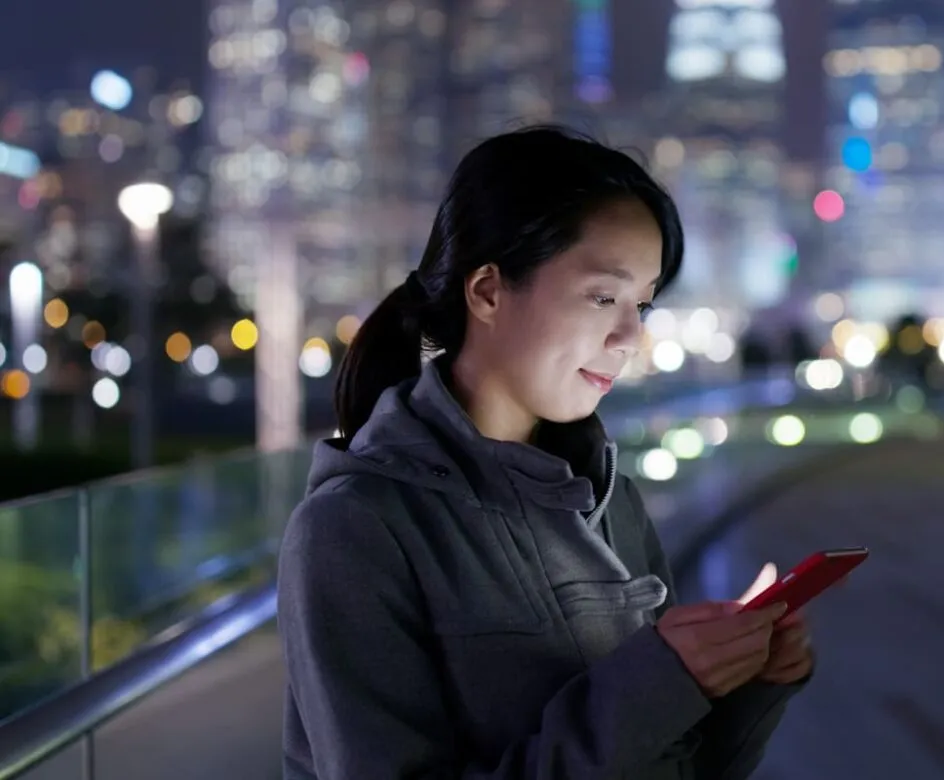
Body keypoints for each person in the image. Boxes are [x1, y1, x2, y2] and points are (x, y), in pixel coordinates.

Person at [277, 125, 815, 780]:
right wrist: (659, 682)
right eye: (602, 296)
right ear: (487, 291)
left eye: (641, 304)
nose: (629, 336)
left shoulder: (607, 495)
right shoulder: (355, 525)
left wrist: (748, 683)